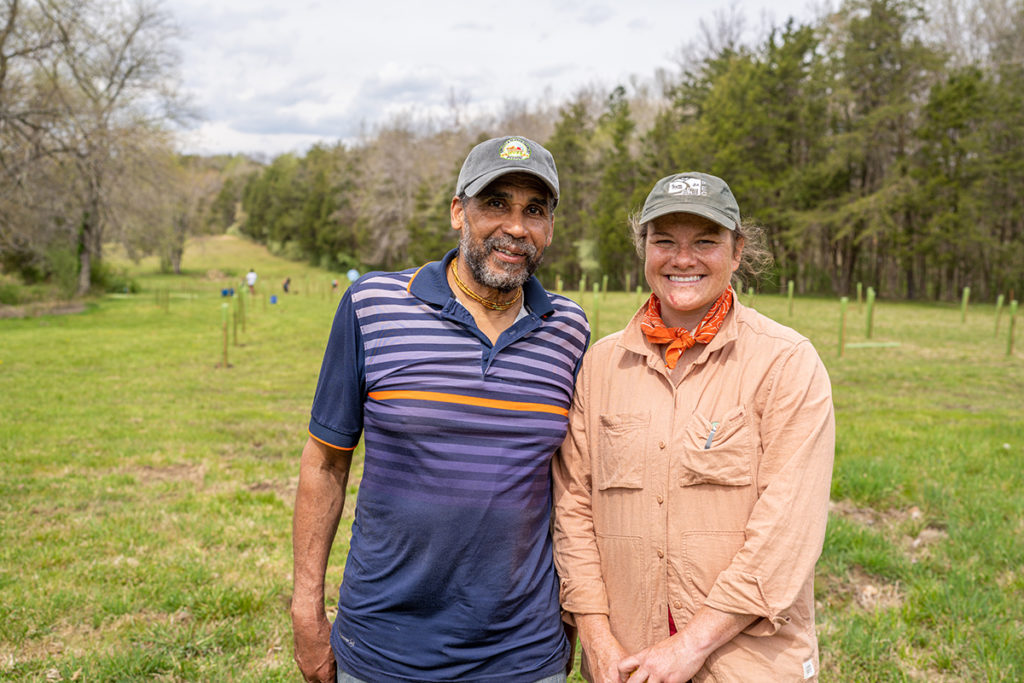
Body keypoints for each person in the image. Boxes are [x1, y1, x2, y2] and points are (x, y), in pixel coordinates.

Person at [292, 135, 591, 683]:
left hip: (523, 651)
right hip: (384, 645)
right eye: (495, 204)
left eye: (535, 210)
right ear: (458, 211)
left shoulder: (569, 330)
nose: (516, 227)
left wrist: (578, 615)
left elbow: (575, 487)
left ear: (551, 226)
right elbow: (325, 462)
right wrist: (306, 608)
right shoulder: (373, 306)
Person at [552, 172, 835, 682]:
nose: (683, 259)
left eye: (705, 242)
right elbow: (573, 510)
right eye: (665, 242)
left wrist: (690, 646)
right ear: (644, 250)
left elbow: (785, 536)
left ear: (737, 251)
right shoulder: (599, 367)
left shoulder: (787, 363)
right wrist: (596, 639)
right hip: (626, 665)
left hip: (749, 666)